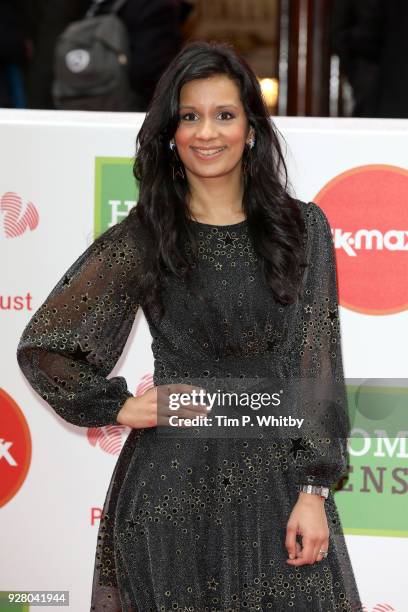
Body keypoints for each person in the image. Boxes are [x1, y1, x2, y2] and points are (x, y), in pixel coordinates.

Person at [16, 41, 362, 611]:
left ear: (251, 128)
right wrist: (118, 406)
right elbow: (45, 347)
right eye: (190, 116)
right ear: (171, 135)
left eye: (224, 115)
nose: (207, 132)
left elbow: (314, 363)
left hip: (275, 481)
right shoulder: (146, 237)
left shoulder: (302, 230)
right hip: (171, 486)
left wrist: (314, 489)